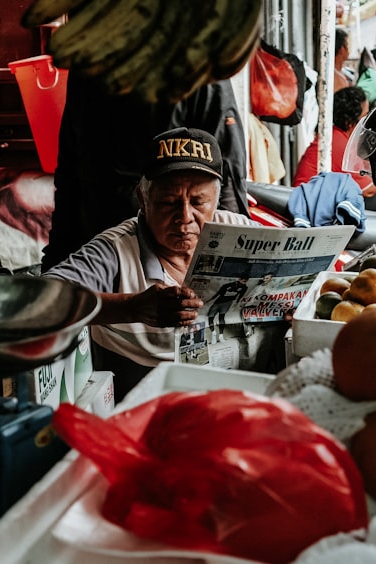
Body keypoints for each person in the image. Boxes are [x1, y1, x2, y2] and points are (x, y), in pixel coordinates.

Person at [43, 127, 256, 399]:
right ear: (143, 199)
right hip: (144, 404)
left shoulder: (238, 232)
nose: (185, 217)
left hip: (233, 395)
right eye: (169, 202)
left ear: (216, 200)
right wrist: (132, 308)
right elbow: (41, 300)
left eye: (199, 202)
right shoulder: (116, 250)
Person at [42, 75, 249, 271]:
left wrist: (232, 259)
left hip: (166, 244)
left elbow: (225, 173)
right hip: (98, 238)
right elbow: (69, 174)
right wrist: (55, 260)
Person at [293, 86, 376, 211]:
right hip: (310, 206)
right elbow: (369, 189)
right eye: (365, 116)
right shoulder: (339, 143)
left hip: (311, 201)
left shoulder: (333, 136)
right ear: (350, 122)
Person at [206, 275, 249, 343]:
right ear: (239, 279)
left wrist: (236, 304)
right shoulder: (228, 285)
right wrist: (210, 300)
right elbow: (218, 294)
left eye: (246, 281)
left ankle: (221, 335)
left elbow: (240, 296)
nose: (244, 283)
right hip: (218, 302)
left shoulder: (244, 287)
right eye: (243, 281)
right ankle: (213, 333)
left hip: (227, 303)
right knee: (210, 317)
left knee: (221, 317)